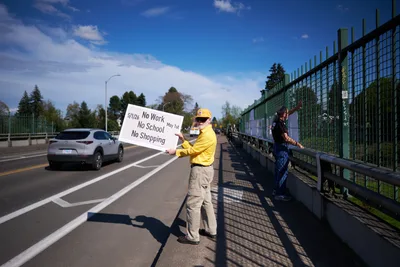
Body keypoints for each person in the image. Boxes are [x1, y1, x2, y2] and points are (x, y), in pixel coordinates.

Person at [166, 108, 217, 245]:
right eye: (198, 119)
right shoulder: (206, 133)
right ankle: (211, 230)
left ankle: (193, 236)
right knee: (206, 202)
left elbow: (193, 151)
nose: (200, 122)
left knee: (193, 204)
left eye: (203, 119)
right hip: (205, 170)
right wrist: (183, 139)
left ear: (209, 120)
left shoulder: (207, 135)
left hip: (200, 172)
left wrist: (175, 152)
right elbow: (196, 150)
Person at [271, 102, 304, 201]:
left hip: (276, 147)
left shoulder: (275, 121)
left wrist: (296, 108)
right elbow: (286, 138)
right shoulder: (281, 124)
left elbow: (289, 112)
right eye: (285, 113)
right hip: (282, 149)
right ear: (283, 114)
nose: (287, 114)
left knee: (278, 171)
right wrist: (298, 144)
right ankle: (280, 194)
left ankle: (276, 190)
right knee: (282, 172)